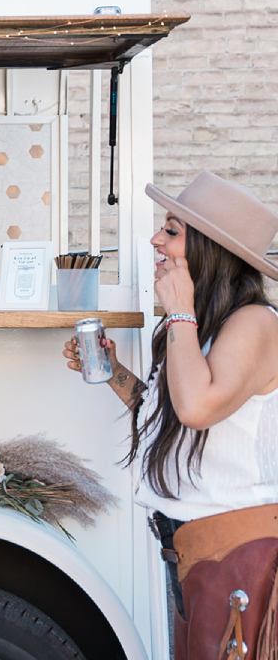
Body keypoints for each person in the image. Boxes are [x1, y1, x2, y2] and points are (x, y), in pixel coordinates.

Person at [63, 171, 278, 660]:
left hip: (238, 552)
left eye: (173, 230)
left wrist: (179, 309)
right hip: (191, 551)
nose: (157, 240)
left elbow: (198, 408)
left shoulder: (255, 323)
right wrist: (113, 371)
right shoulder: (205, 322)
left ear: (210, 248)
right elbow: (172, 413)